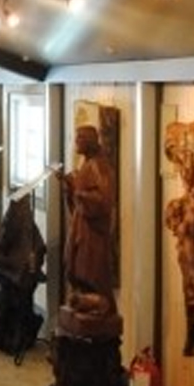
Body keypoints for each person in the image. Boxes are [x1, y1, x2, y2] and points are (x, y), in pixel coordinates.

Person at [60, 123, 117, 317]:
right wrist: (70, 186)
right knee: (75, 267)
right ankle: (85, 301)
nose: (76, 142)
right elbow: (78, 197)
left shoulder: (99, 166)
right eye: (76, 138)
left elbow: (104, 201)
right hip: (81, 226)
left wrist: (77, 189)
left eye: (80, 138)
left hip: (92, 232)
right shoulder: (87, 163)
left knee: (90, 270)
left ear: (91, 142)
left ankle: (98, 304)